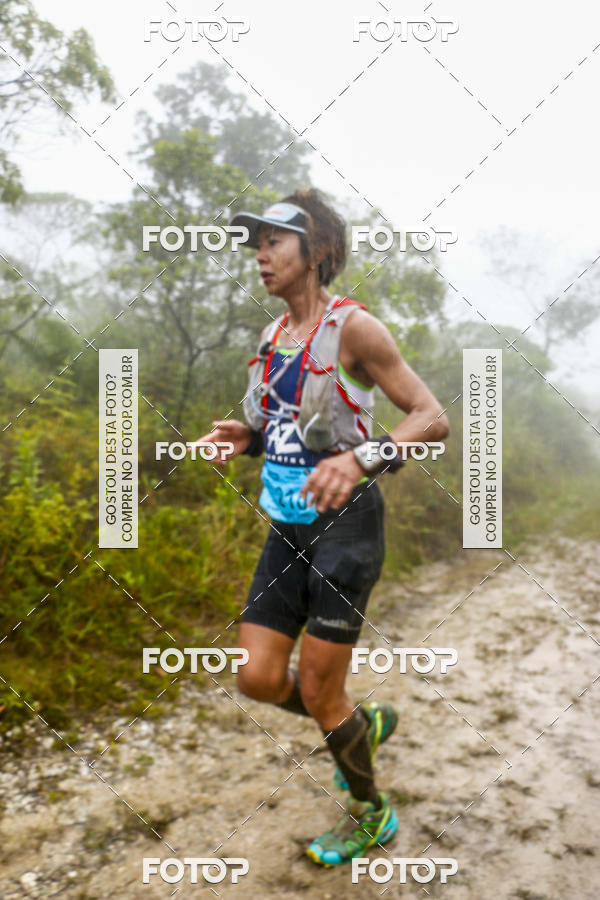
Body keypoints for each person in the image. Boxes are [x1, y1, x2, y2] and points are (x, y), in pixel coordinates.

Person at [194, 188, 450, 866]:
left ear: (320, 253)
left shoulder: (354, 328)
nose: (260, 253)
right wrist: (242, 439)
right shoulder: (271, 338)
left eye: (276, 239)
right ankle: (361, 728)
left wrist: (363, 458)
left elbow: (431, 417)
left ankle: (369, 811)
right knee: (255, 677)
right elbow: (277, 429)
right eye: (257, 241)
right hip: (286, 528)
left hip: (347, 530)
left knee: (317, 688)